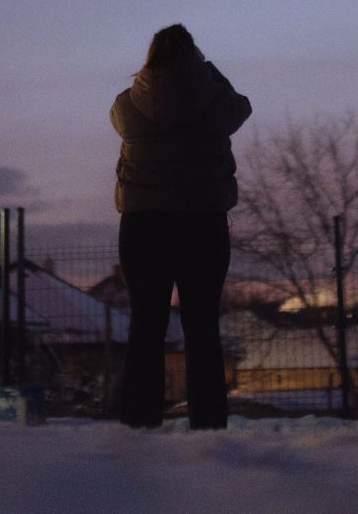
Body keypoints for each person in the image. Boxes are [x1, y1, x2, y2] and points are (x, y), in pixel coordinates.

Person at [110, 23, 252, 429]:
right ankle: (208, 427)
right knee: (202, 326)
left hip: (143, 226)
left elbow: (117, 120)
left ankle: (139, 424)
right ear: (195, 55)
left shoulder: (128, 103)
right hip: (202, 224)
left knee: (146, 325)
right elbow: (241, 108)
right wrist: (210, 72)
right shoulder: (214, 101)